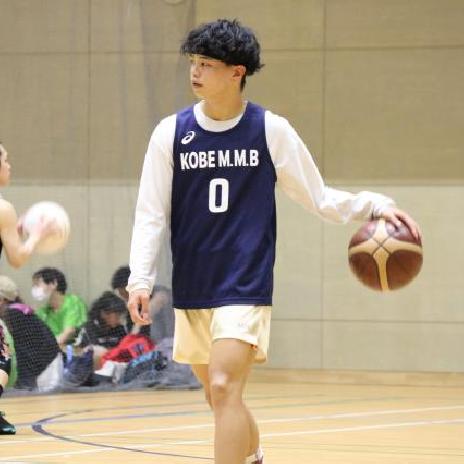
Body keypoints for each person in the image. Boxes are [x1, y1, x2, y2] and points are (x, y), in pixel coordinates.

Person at [126, 19, 422, 464]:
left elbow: (319, 197)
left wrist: (374, 205)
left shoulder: (269, 130)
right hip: (194, 280)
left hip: (244, 281)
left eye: (207, 64)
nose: (196, 71)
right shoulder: (171, 133)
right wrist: (140, 279)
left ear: (237, 72)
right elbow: (150, 212)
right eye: (194, 62)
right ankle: (254, 455)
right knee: (218, 396)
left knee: (224, 386)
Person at [0, 142, 57, 434]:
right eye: (5, 159)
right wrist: (35, 236)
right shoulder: (3, 208)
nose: (9, 165)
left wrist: (14, 229)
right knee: (3, 359)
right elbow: (17, 258)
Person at [0, 275, 63, 392]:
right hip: (47, 363)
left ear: (2, 299)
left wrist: (24, 382)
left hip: (46, 369)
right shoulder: (17, 311)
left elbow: (26, 350)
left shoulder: (13, 314)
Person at [32, 267, 87, 349]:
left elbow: (68, 333)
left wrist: (46, 346)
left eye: (37, 285)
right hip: (53, 351)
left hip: (75, 351)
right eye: (33, 286)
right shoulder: (43, 312)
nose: (34, 289)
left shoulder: (73, 302)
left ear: (53, 284)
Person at [76, 290, 128, 368]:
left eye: (121, 315)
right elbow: (85, 352)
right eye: (117, 315)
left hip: (117, 366)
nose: (119, 319)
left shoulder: (120, 329)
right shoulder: (88, 329)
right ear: (104, 313)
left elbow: (125, 349)